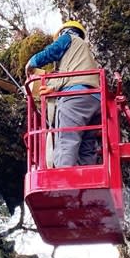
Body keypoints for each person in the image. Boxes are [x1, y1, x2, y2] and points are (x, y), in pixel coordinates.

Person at [25, 20, 101, 167]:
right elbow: (70, 75)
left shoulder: (68, 37)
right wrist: (52, 86)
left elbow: (52, 51)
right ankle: (87, 183)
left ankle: (63, 180)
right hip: (95, 99)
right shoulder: (83, 53)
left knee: (66, 140)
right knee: (86, 146)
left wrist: (32, 62)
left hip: (75, 98)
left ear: (64, 32)